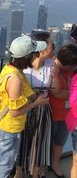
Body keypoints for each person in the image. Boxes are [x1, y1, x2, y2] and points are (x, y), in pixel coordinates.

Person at [0, 35, 50, 178]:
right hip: (10, 128)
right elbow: (14, 112)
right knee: (6, 165)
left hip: (7, 127)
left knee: (1, 161)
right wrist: (37, 103)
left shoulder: (9, 68)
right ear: (27, 57)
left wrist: (33, 93)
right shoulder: (15, 79)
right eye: (35, 54)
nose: (36, 57)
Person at [15, 32, 55, 178]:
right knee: (22, 140)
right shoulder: (24, 66)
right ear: (42, 48)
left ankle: (35, 173)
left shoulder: (51, 65)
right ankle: (19, 171)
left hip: (43, 108)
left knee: (40, 142)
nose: (53, 48)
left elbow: (54, 87)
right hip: (25, 108)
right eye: (52, 45)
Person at [54, 44, 77, 177]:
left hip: (68, 114)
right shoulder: (52, 70)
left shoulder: (71, 71)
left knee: (60, 141)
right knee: (49, 141)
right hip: (52, 112)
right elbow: (56, 93)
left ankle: (55, 163)